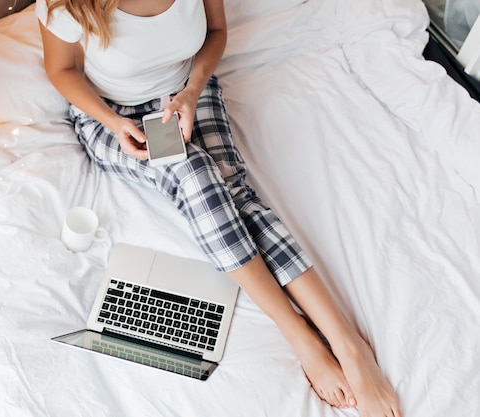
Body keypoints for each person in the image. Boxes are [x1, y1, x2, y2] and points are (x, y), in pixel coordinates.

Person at [36, 1, 402, 416]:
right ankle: (297, 330)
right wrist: (114, 122)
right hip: (111, 115)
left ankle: (347, 344)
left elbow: (215, 32)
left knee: (234, 192)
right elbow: (60, 70)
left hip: (186, 92)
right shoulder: (67, 5)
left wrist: (191, 92)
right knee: (194, 174)